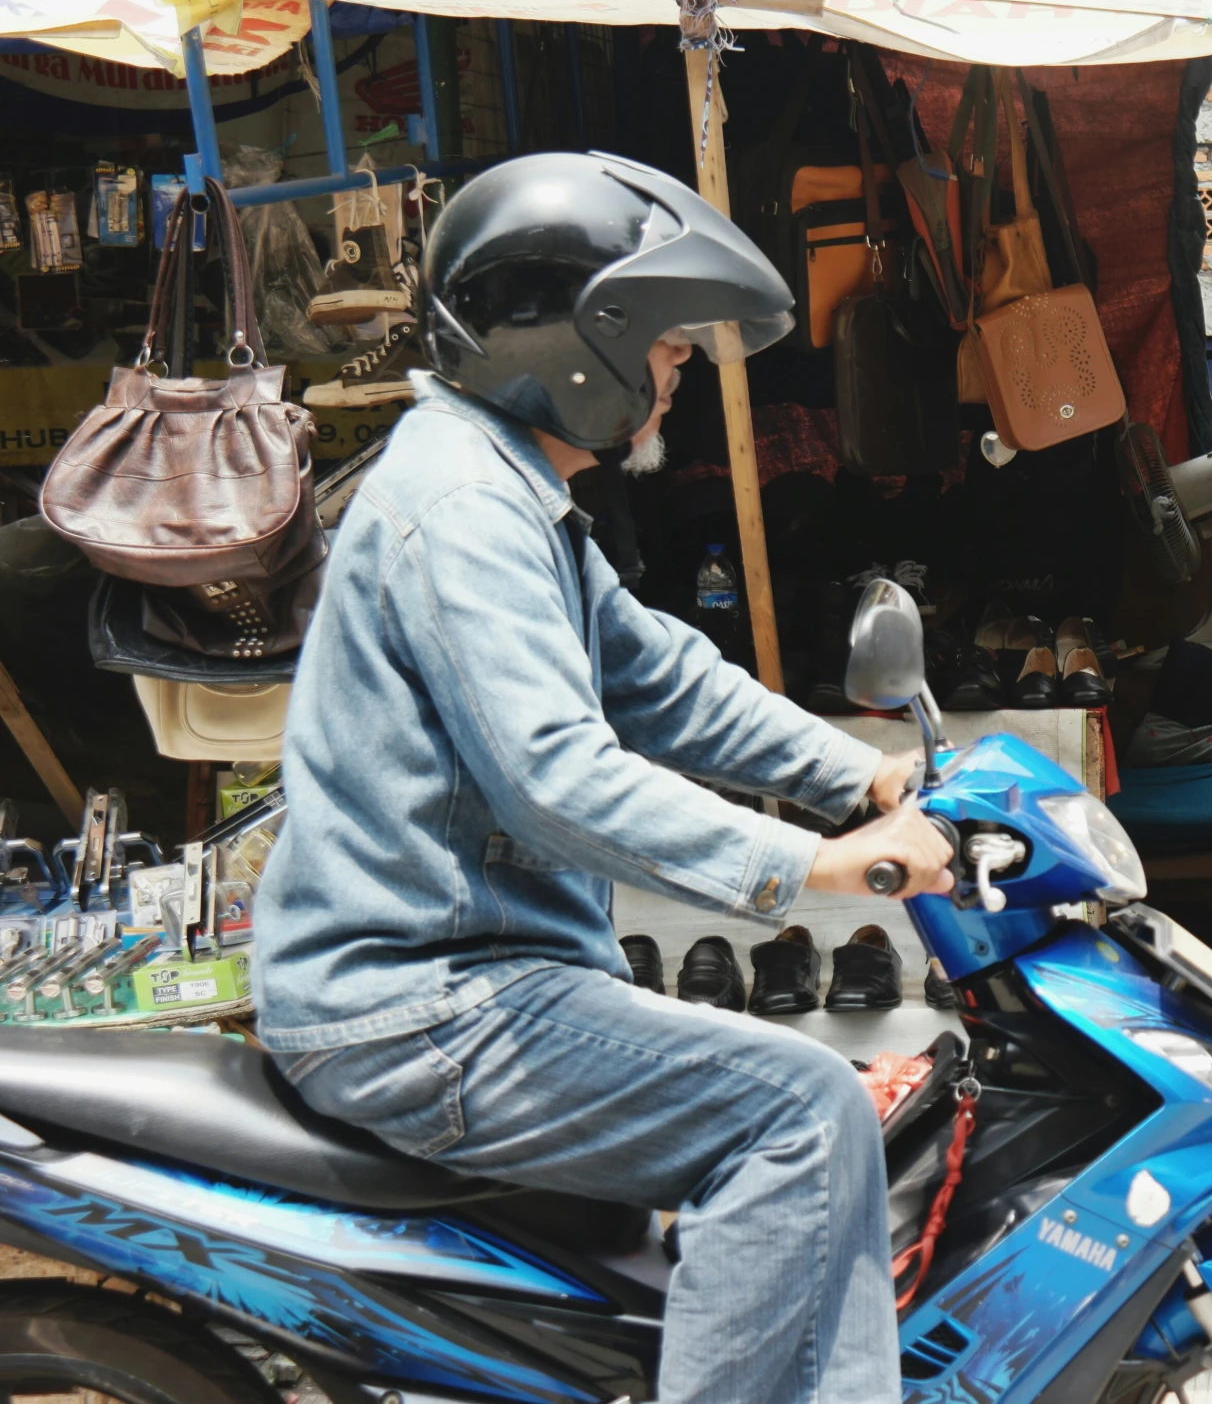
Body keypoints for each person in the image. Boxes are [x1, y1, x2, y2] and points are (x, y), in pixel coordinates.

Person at [253, 152, 954, 1404]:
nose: (680, 372)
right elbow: (553, 777)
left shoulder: (512, 495)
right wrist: (805, 863)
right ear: (581, 345)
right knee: (801, 1110)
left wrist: (863, 775)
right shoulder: (463, 502)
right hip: (423, 1003)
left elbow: (662, 677)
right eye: (671, 347)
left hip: (474, 984)